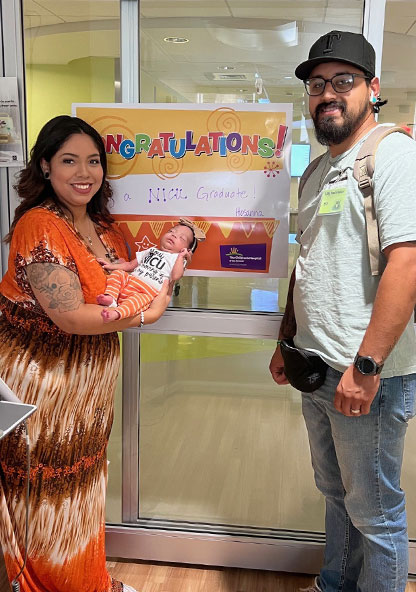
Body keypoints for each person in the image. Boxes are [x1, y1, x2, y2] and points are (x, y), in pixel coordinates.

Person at [269, 31, 416, 592]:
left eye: (343, 82)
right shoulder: (316, 172)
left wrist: (368, 366)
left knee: (376, 513)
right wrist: (286, 340)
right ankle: (335, 584)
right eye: (316, 85)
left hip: (366, 378)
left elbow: (406, 264)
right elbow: (307, 264)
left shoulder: (392, 153)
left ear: (372, 89)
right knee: (336, 495)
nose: (327, 94)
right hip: (316, 367)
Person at [0, 115, 171, 592]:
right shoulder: (39, 225)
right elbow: (71, 317)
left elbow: (137, 283)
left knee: (82, 485)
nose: (84, 172)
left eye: (93, 161)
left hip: (87, 388)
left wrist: (164, 280)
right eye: (69, 160)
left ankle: (88, 579)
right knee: (47, 491)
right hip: (41, 383)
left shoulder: (105, 228)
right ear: (45, 167)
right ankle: (50, 585)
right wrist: (146, 314)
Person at [97, 219, 205, 322]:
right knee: (118, 274)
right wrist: (111, 266)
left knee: (134, 304)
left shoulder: (177, 259)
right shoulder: (150, 250)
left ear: (186, 250)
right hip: (130, 281)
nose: (174, 235)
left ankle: (116, 313)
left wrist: (182, 256)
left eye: (181, 238)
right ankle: (110, 297)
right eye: (171, 231)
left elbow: (176, 276)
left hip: (146, 292)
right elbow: (130, 265)